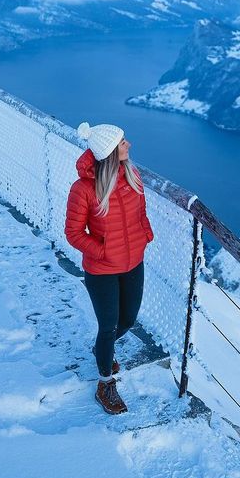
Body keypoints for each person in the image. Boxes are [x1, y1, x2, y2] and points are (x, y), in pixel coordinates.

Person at [64, 121, 154, 415]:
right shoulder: (83, 190)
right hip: (102, 270)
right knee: (109, 326)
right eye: (123, 142)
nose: (129, 144)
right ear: (111, 151)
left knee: (128, 320)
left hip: (133, 263)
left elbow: (140, 214)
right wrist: (102, 251)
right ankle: (105, 383)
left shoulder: (132, 174)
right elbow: (73, 233)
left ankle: (103, 349)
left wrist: (145, 236)